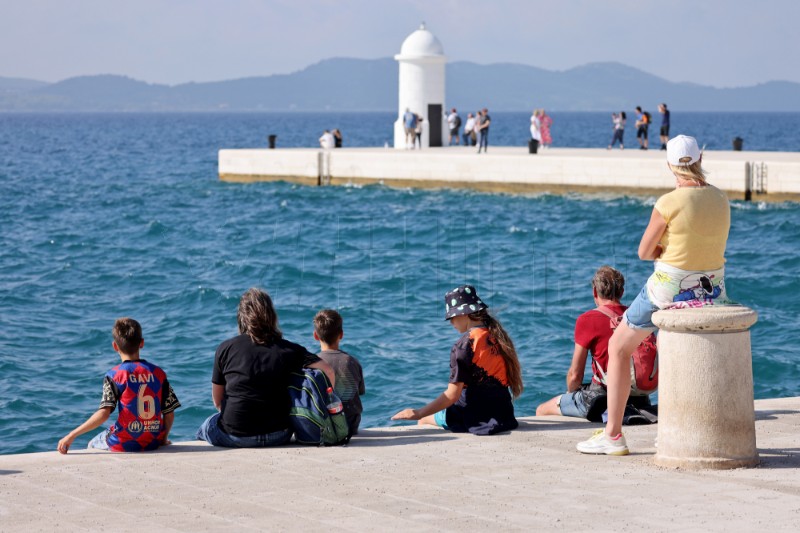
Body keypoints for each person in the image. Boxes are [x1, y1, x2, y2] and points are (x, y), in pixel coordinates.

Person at [577, 135, 731, 456]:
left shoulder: (669, 202)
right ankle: (679, 427)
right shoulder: (720, 199)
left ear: (670, 165)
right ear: (700, 159)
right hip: (711, 290)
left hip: (670, 288)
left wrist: (666, 249)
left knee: (619, 347)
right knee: (665, 342)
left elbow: (645, 251)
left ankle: (613, 435)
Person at [196, 288, 334, 448]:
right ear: (271, 316)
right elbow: (328, 370)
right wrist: (325, 403)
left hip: (235, 435)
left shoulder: (225, 348)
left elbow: (218, 402)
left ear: (241, 318)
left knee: (207, 425)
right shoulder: (289, 350)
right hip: (279, 434)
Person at [391, 285, 523, 435]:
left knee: (423, 421)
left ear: (464, 314)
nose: (451, 323)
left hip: (474, 418)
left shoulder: (464, 345)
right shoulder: (497, 337)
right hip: (504, 415)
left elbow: (452, 396)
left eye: (452, 317)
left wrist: (419, 413)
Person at [535, 266, 653, 419]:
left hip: (600, 399)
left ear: (595, 292)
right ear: (622, 292)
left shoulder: (587, 319)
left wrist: (570, 394)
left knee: (541, 410)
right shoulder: (635, 316)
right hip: (640, 398)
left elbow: (575, 375)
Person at [57, 317, 180, 454]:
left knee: (92, 444)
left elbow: (104, 414)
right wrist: (163, 439)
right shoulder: (159, 374)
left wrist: (71, 435)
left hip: (124, 443)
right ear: (142, 343)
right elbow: (169, 413)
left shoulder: (115, 375)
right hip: (153, 441)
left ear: (115, 346)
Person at [313, 309, 365, 435]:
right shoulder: (352, 362)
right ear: (341, 334)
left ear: (316, 335)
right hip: (350, 426)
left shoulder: (312, 364)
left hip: (323, 426)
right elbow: (360, 392)